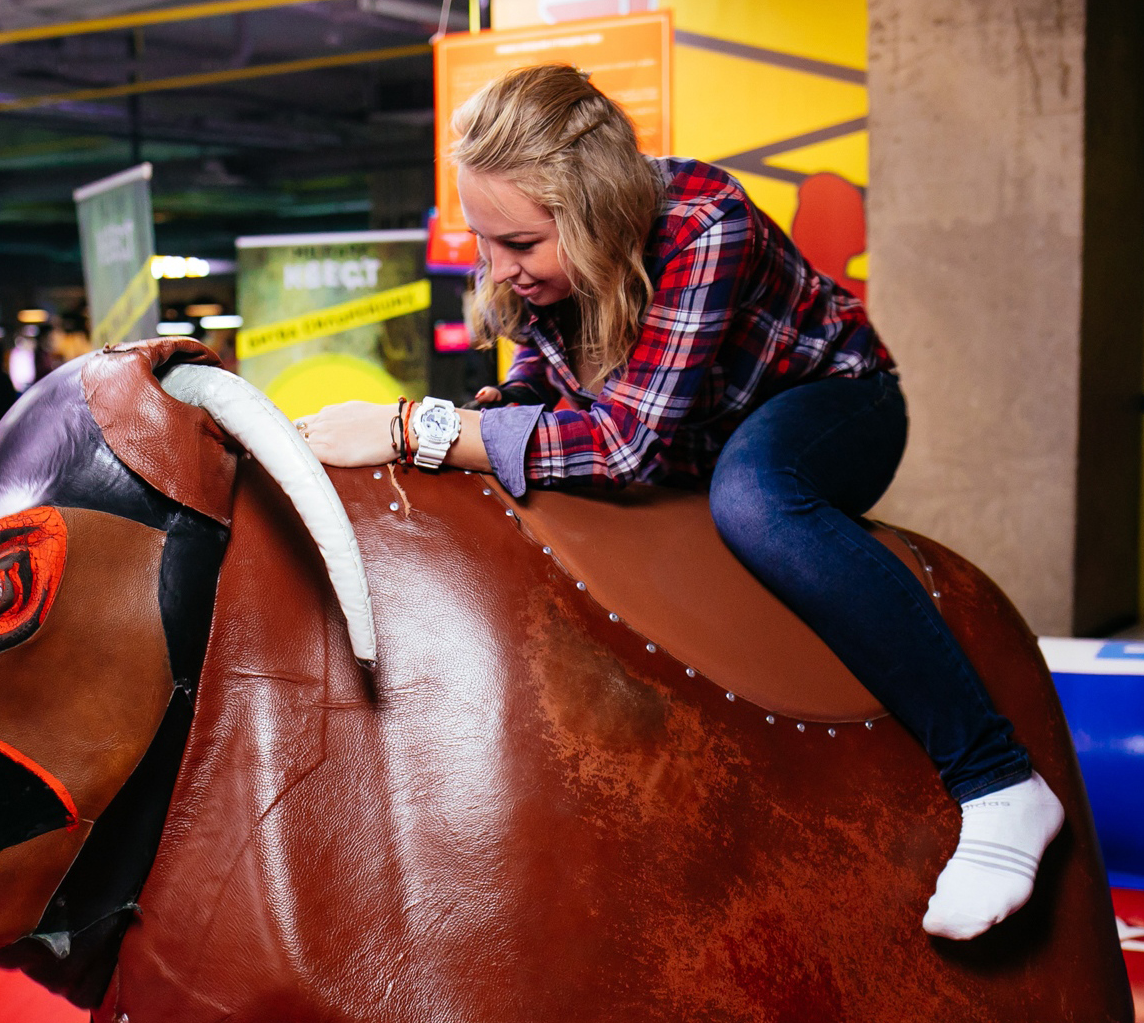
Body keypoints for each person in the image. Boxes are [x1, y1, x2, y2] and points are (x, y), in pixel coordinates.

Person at [295, 64, 1063, 943]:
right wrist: (457, 425)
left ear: (592, 217)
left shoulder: (706, 221)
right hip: (687, 431)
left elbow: (623, 447)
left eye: (519, 245)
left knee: (755, 500)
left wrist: (411, 428)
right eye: (485, 241)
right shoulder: (539, 274)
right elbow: (538, 396)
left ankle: (999, 780)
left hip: (827, 402)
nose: (498, 272)